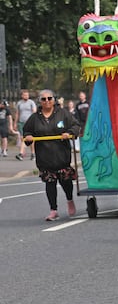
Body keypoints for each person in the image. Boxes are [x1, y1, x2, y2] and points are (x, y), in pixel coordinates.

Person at [22, 89, 80, 221]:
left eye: (49, 98)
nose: (47, 101)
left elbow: (76, 125)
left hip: (61, 156)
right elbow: (26, 131)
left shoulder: (63, 113)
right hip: (45, 157)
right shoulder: (35, 117)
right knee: (50, 183)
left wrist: (69, 132)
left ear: (54, 100)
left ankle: (70, 200)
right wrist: (28, 136)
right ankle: (53, 210)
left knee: (65, 182)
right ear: (40, 102)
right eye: (44, 99)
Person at [15, 89, 37, 160]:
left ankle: (33, 153)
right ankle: (21, 153)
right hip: (22, 122)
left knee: (30, 138)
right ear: (22, 96)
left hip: (30, 123)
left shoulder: (31, 102)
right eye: (25, 95)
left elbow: (34, 112)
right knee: (22, 138)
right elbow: (17, 113)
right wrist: (15, 123)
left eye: (27, 95)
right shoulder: (19, 103)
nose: (26, 96)